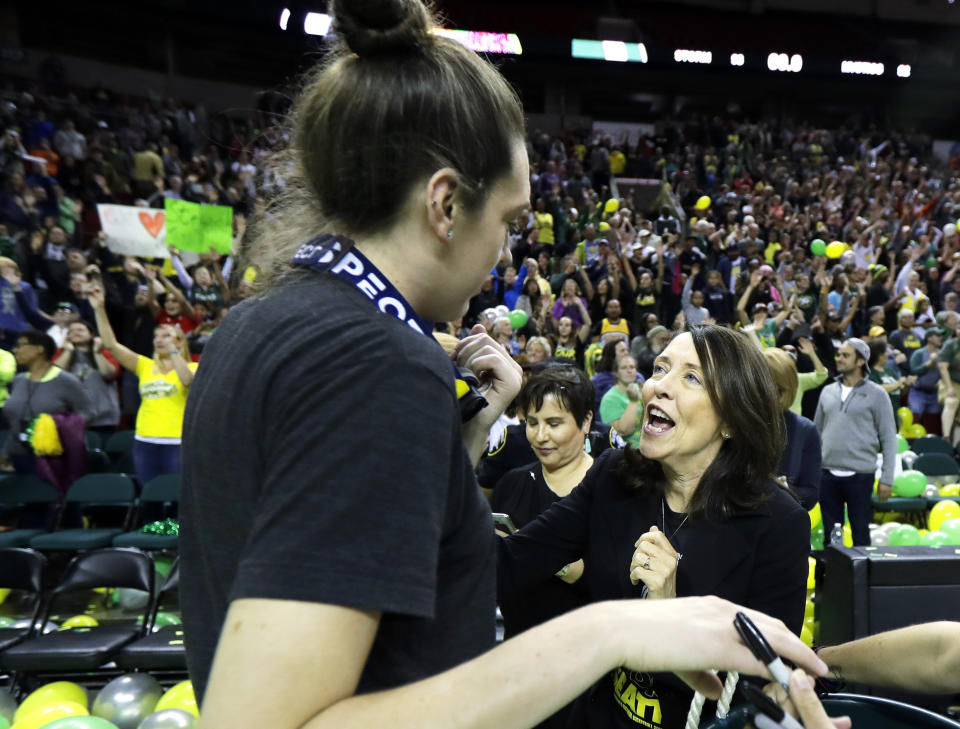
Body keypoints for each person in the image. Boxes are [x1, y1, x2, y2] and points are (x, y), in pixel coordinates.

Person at [175, 5, 829, 729]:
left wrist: (468, 430)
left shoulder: (260, 320)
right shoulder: (375, 363)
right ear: (446, 202)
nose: (504, 252)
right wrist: (615, 627)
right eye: (510, 221)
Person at [499, 326, 811, 729]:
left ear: (731, 421)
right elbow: (510, 563)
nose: (659, 386)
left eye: (691, 377)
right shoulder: (614, 476)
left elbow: (763, 686)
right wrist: (472, 424)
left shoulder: (778, 523)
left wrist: (668, 617)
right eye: (660, 368)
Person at [491, 367, 594, 639]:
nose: (540, 436)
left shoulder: (611, 490)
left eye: (554, 423)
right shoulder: (511, 484)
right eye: (533, 423)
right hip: (519, 647)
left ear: (585, 422)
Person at [89, 285, 197, 484]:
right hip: (145, 441)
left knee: (174, 498)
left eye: (166, 336)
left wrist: (174, 353)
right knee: (149, 497)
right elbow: (111, 345)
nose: (159, 340)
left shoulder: (194, 367)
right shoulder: (144, 365)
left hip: (177, 441)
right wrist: (99, 309)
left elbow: (187, 380)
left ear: (181, 342)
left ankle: (172, 519)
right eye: (156, 336)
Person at [814, 339, 897, 546]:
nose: (839, 359)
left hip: (861, 475)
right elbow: (816, 433)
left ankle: (861, 579)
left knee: (861, 534)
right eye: (838, 354)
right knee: (830, 539)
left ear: (861, 361)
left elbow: (888, 437)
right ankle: (832, 578)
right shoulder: (827, 391)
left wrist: (886, 478)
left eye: (845, 355)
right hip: (827, 474)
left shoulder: (878, 394)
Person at [2, 329, 93, 474]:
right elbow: (15, 420)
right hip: (20, 454)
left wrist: (58, 427)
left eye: (21, 345)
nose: (15, 350)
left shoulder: (65, 380)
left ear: (39, 349)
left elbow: (88, 412)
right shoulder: (18, 380)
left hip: (55, 455)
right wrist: (6, 451)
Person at [762, 348, 821, 509]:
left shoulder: (804, 430)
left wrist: (786, 490)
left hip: (781, 524)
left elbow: (811, 493)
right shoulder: (734, 423)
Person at [52, 320, 122, 434]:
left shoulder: (105, 351)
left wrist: (98, 353)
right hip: (72, 418)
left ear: (91, 335)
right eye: (71, 331)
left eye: (80, 330)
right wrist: (67, 352)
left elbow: (109, 374)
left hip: (104, 418)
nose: (75, 333)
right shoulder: (61, 353)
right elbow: (55, 376)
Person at [599, 355, 644, 447]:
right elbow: (623, 431)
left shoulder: (640, 388)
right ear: (616, 373)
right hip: (629, 451)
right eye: (624, 368)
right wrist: (633, 401)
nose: (629, 370)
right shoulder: (610, 398)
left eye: (632, 367)